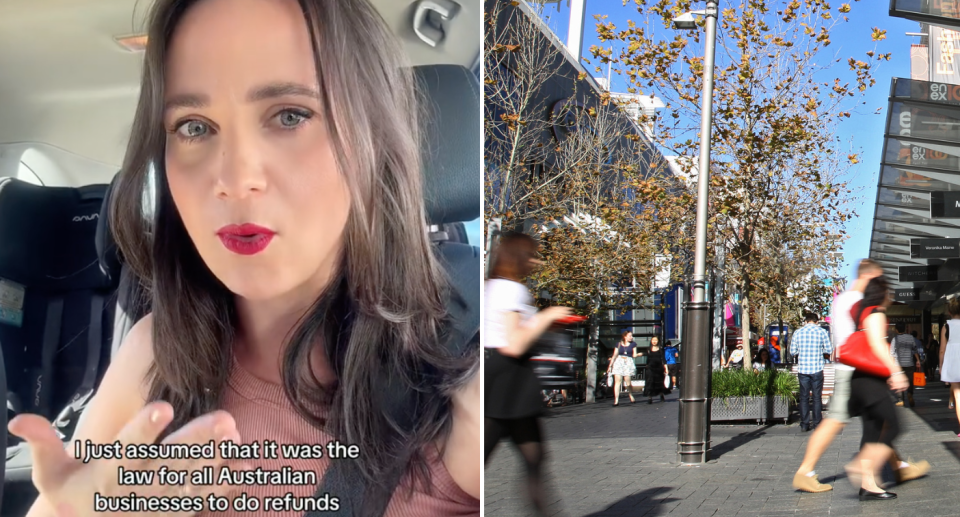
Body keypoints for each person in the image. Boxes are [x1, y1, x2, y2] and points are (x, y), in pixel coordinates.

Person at [9, 1, 484, 516]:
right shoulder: (154, 353)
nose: (234, 180)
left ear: (373, 143)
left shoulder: (463, 375)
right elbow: (74, 499)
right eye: (193, 126)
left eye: (290, 115)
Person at [793, 259, 929, 493]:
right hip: (857, 372)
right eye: (878, 278)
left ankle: (891, 470)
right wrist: (893, 370)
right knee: (841, 420)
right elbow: (874, 342)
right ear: (869, 277)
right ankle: (807, 470)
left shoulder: (844, 299)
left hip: (857, 371)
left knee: (877, 422)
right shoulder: (861, 302)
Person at [484, 232, 572, 515]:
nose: (536, 261)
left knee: (534, 457)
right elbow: (513, 344)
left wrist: (542, 325)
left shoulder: (492, 286)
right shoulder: (513, 290)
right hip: (508, 377)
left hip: (503, 376)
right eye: (531, 255)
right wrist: (548, 315)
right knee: (484, 457)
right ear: (517, 258)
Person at [844, 275, 908, 500]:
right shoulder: (876, 314)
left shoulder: (860, 312)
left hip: (860, 379)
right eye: (889, 292)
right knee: (894, 427)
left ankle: (868, 485)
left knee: (871, 431)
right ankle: (859, 467)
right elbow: (878, 345)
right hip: (871, 381)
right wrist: (897, 372)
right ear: (882, 293)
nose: (890, 296)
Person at [790, 312, 832, 432]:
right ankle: (817, 424)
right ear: (816, 321)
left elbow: (793, 351)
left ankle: (804, 424)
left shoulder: (798, 332)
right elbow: (829, 349)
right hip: (817, 368)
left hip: (803, 369)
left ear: (806, 321)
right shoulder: (822, 332)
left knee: (803, 397)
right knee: (817, 397)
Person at [939, 297, 960, 437]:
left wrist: (941, 366)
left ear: (949, 311)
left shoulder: (946, 326)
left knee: (958, 396)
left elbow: (942, 349)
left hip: (954, 362)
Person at [892, 323, 921, 408]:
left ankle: (901, 400)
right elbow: (915, 350)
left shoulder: (895, 339)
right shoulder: (910, 337)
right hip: (909, 363)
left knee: (899, 381)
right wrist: (918, 360)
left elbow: (892, 353)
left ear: (896, 330)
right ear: (904, 329)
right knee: (910, 381)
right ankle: (910, 393)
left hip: (899, 364)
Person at [606, 331, 639, 406]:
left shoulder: (633, 344)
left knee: (628, 382)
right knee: (618, 381)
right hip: (619, 362)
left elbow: (634, 355)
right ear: (625, 337)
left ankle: (630, 394)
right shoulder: (618, 344)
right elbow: (614, 355)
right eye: (630, 336)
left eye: (631, 336)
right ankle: (616, 400)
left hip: (628, 362)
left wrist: (638, 354)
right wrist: (610, 366)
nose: (631, 337)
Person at [641, 336, 670, 404]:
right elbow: (646, 356)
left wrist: (666, 368)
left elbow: (663, 359)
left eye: (655, 340)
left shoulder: (660, 349)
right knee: (650, 381)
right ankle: (650, 397)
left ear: (658, 341)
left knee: (659, 382)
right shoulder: (648, 349)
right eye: (653, 340)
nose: (654, 341)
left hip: (659, 368)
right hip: (650, 368)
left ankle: (661, 394)